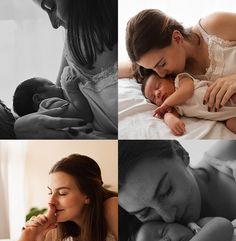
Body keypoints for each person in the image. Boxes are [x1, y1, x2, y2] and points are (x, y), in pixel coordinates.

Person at [14, 0, 118, 139]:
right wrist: (19, 124)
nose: (54, 24)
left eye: (51, 6)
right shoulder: (72, 36)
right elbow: (75, 108)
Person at [120, 9, 236, 112]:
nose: (160, 74)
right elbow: (126, 68)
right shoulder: (176, 77)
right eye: (152, 69)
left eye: (162, 64)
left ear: (177, 38)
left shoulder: (215, 25)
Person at [27, 153, 118, 241]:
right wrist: (35, 237)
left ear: (88, 196)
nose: (51, 201)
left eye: (62, 193)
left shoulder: (112, 207)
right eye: (50, 192)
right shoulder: (56, 223)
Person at [119, 140, 236, 227]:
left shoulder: (230, 151)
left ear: (181, 153)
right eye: (144, 213)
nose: (168, 217)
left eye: (167, 191)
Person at [141, 71, 236, 136]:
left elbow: (187, 91)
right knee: (231, 125)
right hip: (227, 116)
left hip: (226, 94)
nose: (157, 93)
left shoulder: (181, 80)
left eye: (158, 86)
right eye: (153, 97)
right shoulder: (175, 107)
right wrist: (170, 119)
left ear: (170, 79)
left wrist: (165, 104)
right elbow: (169, 115)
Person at [13, 75, 93, 124]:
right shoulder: (49, 105)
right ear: (38, 98)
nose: (59, 86)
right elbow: (84, 115)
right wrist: (73, 91)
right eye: (51, 84)